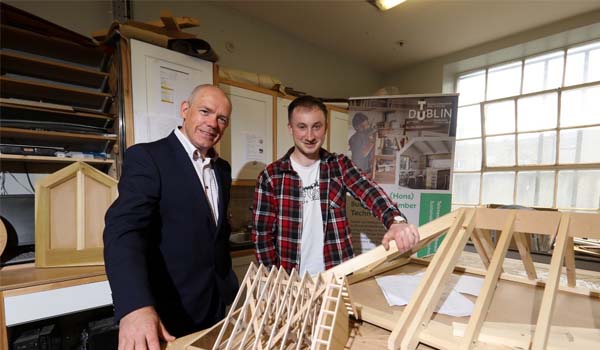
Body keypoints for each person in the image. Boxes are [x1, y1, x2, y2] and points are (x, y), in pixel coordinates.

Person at [103, 85, 238, 350]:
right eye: (205, 111)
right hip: (170, 308)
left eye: (222, 118)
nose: (213, 123)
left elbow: (213, 233)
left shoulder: (222, 169)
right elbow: (123, 231)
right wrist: (135, 306)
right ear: (185, 111)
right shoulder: (148, 157)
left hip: (214, 302)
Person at [252, 95, 420, 276]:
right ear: (290, 128)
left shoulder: (339, 165)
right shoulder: (271, 176)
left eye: (316, 126)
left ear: (325, 128)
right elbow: (262, 236)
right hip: (292, 283)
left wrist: (396, 221)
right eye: (302, 127)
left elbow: (370, 191)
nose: (309, 136)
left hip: (338, 277)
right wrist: (273, 280)